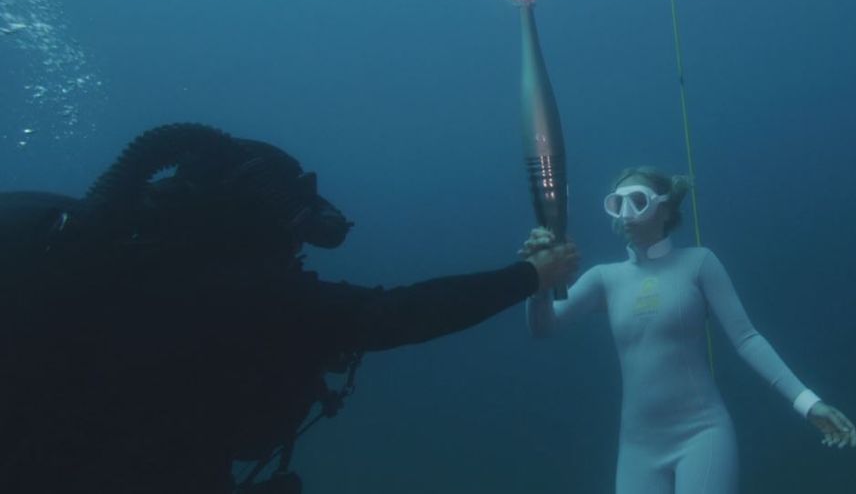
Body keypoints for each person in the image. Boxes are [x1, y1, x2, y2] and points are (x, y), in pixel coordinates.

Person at [0, 123, 579, 494]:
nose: (298, 245)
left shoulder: (78, 246)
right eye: (294, 225)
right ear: (263, 212)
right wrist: (530, 275)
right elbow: (401, 314)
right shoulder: (246, 294)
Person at [521, 166, 856, 494]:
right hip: (637, 447)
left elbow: (747, 339)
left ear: (665, 208)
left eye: (637, 201)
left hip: (702, 434)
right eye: (616, 203)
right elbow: (544, 326)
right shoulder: (605, 279)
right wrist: (538, 281)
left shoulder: (699, 263)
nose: (625, 214)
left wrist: (808, 403)